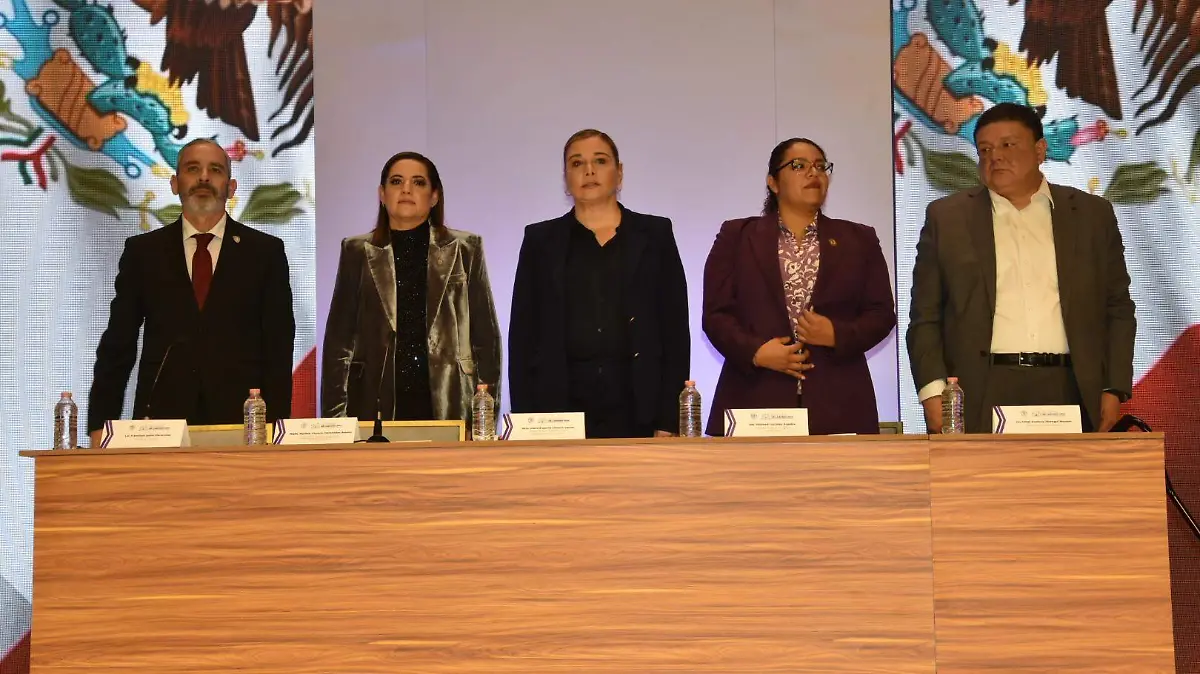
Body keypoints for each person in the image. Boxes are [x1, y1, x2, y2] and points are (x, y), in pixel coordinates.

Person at [907, 102, 1136, 433]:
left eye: (1007, 145)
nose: (995, 157)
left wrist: (1114, 387)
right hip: (980, 390)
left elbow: (1118, 308)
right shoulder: (947, 218)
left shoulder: (1092, 215)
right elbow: (925, 317)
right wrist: (933, 395)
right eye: (985, 149)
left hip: (1070, 386)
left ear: (1040, 150)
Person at [88, 138, 295, 445]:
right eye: (192, 169)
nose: (204, 178)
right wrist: (100, 424)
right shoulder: (143, 252)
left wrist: (275, 427)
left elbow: (278, 349)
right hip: (160, 422)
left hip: (242, 426)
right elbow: (118, 345)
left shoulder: (264, 252)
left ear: (231, 187)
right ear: (175, 184)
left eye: (215, 170)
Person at [703, 137, 896, 436]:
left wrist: (837, 335)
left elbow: (882, 315)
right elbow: (716, 315)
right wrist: (756, 352)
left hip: (839, 405)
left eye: (820, 166)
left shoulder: (860, 239)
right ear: (773, 182)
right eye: (799, 165)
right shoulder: (736, 236)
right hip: (755, 401)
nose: (813, 173)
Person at [508, 129, 689, 438]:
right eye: (577, 163)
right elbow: (523, 338)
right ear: (565, 178)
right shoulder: (540, 241)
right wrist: (526, 422)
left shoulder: (655, 234)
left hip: (639, 406)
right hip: (559, 409)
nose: (589, 171)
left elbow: (675, 332)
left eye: (600, 161)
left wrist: (669, 419)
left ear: (619, 173)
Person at [322, 151, 502, 430]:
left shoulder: (466, 248)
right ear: (382, 194)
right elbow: (339, 341)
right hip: (373, 402)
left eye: (418, 182)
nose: (406, 189)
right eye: (396, 181)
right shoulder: (355, 251)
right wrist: (336, 423)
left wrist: (484, 419)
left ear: (434, 196)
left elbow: (486, 339)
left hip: (450, 398)